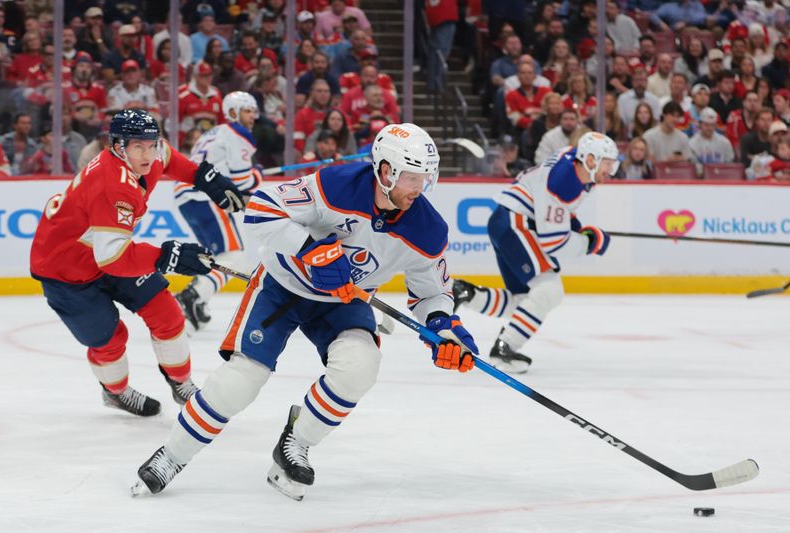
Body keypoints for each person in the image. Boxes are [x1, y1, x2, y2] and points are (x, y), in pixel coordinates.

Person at [131, 123, 478, 499]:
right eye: (412, 177)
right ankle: (172, 455)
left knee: (359, 369)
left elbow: (433, 294)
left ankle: (295, 442)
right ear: (385, 171)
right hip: (283, 286)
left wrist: (444, 328)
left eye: (425, 177)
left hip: (345, 302)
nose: (419, 188)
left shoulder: (428, 228)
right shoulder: (336, 185)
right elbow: (261, 209)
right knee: (240, 381)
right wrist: (311, 246)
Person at [29, 109, 246, 417]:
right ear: (118, 147)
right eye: (138, 147)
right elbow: (114, 258)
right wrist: (167, 256)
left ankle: (181, 383)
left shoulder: (150, 155)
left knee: (168, 315)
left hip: (105, 250)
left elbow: (169, 158)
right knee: (109, 340)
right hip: (67, 271)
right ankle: (115, 392)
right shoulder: (111, 184)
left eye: (151, 144)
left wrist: (204, 178)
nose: (148, 154)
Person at [452, 132, 618, 373]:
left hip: (506, 221)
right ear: (591, 160)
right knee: (549, 290)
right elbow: (554, 241)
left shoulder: (574, 164)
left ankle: (465, 293)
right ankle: (505, 347)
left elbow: (555, 213)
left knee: (526, 300)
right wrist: (590, 244)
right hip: (515, 223)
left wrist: (578, 229)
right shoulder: (565, 182)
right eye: (608, 163)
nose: (611, 170)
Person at [174, 92, 262, 333]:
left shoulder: (213, 132)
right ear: (233, 112)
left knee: (217, 255)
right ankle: (192, 295)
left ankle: (198, 299)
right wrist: (257, 174)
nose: (252, 116)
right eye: (247, 110)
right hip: (205, 196)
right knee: (235, 258)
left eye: (254, 110)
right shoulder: (238, 134)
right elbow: (243, 183)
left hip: (186, 196)